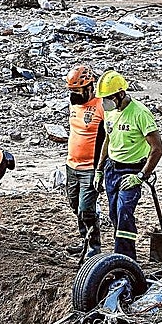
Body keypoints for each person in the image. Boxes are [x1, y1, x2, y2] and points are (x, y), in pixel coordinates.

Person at [94, 71, 162, 261]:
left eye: (108, 98)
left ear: (121, 94)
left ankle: (124, 258)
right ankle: (122, 252)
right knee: (114, 214)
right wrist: (99, 170)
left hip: (131, 171)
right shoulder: (109, 112)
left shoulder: (140, 114)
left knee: (124, 211)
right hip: (111, 169)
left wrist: (141, 175)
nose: (105, 103)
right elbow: (107, 141)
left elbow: (157, 148)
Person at [64, 65, 105, 258]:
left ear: (89, 87)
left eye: (77, 90)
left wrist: (101, 167)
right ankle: (84, 240)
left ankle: (93, 247)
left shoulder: (101, 106)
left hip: (90, 168)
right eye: (71, 91)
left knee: (86, 208)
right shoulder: (73, 103)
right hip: (71, 165)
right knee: (75, 206)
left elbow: (107, 138)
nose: (73, 95)